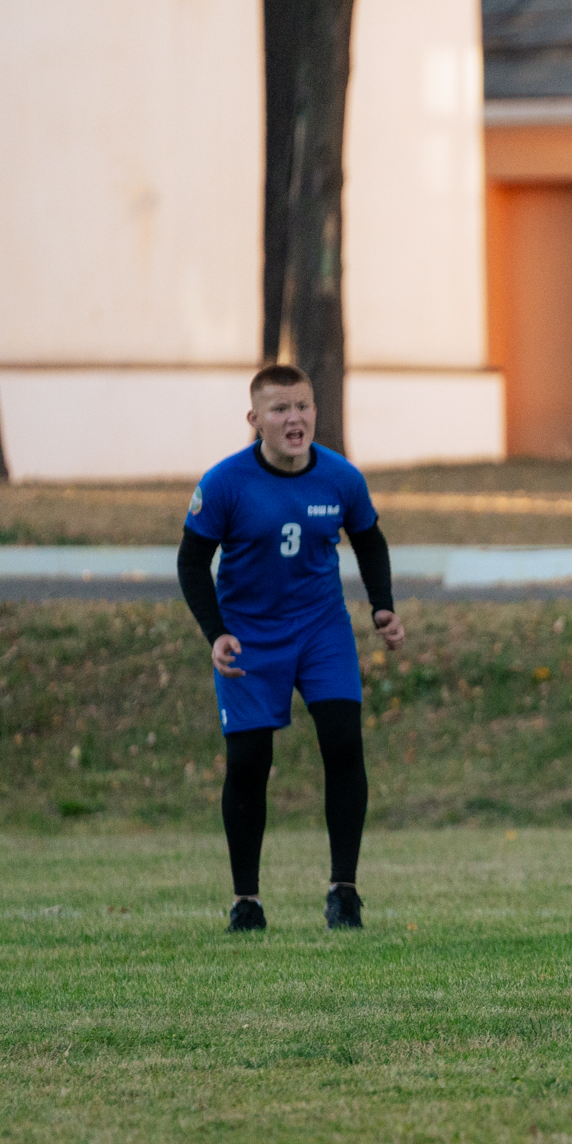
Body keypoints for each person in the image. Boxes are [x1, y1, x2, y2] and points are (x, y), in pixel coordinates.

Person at [176, 365, 405, 932]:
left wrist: (382, 606)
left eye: (302, 406)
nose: (294, 419)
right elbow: (190, 563)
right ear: (255, 421)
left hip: (321, 629)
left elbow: (369, 539)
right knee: (251, 764)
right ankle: (246, 901)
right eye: (279, 410)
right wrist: (216, 633)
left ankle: (344, 891)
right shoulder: (225, 483)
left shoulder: (341, 477)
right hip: (250, 636)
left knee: (344, 743)